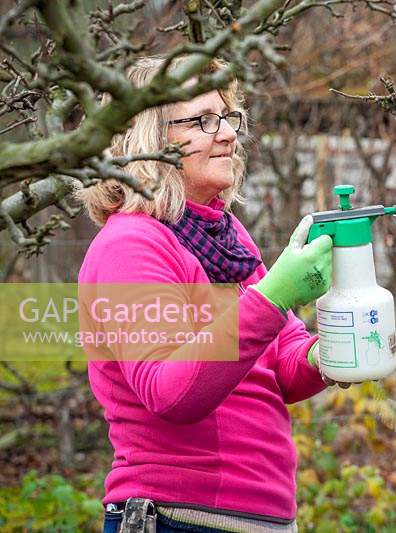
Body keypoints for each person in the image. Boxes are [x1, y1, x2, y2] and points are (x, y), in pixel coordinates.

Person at [77, 55, 335, 532]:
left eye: (228, 117)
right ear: (147, 142)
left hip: (261, 518)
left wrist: (334, 350)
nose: (228, 134)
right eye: (202, 121)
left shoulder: (227, 240)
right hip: (178, 516)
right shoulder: (130, 245)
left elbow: (280, 365)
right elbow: (170, 393)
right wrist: (273, 297)